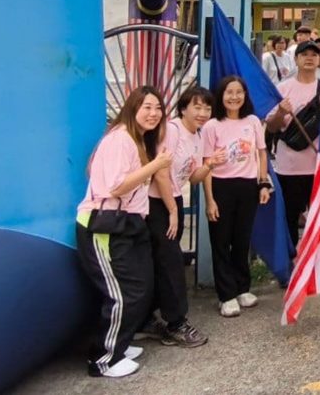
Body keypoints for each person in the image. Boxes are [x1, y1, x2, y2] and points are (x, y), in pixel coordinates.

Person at [76, 87, 171, 378]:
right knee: (123, 293)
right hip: (106, 224)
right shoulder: (120, 139)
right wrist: (155, 166)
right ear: (132, 108)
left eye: (158, 108)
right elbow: (116, 186)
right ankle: (104, 359)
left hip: (128, 223)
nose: (154, 113)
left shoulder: (135, 139)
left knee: (140, 286)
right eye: (147, 107)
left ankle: (119, 343)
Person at [143, 86, 217, 348]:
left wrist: (209, 165)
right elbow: (160, 173)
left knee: (161, 261)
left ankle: (147, 318)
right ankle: (176, 323)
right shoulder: (172, 130)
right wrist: (172, 211)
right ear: (183, 108)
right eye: (197, 107)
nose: (203, 113)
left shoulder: (196, 135)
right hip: (157, 203)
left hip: (173, 199)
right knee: (171, 262)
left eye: (207, 108)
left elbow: (193, 176)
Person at [201, 76, 271, 317]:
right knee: (221, 241)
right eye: (229, 92)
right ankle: (226, 295)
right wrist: (209, 199)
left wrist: (263, 183)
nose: (234, 97)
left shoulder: (252, 121)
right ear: (221, 96)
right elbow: (206, 164)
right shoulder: (212, 126)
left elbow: (261, 154)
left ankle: (243, 288)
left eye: (239, 92)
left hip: (248, 187)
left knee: (242, 241)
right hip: (221, 187)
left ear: (245, 95)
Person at [264, 41, 320, 248]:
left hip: (319, 165)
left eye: (314, 55)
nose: (309, 58)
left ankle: (315, 259)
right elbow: (271, 128)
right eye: (304, 54)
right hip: (289, 166)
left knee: (318, 216)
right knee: (290, 215)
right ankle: (291, 259)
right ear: (296, 59)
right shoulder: (283, 89)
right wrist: (280, 112)